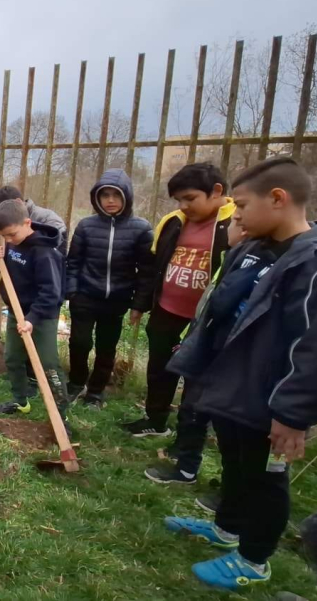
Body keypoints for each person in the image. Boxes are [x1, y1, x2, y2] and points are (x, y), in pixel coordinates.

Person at [162, 157, 317, 591]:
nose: (235, 215)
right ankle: (227, 528)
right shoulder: (254, 249)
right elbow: (220, 308)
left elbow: (316, 347)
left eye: (242, 204)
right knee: (236, 463)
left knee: (264, 477)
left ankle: (255, 559)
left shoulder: (314, 264)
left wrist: (293, 414)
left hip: (271, 397)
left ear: (278, 199)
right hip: (233, 383)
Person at [122, 163, 235, 438]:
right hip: (166, 311)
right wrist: (142, 303)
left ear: (216, 191)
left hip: (204, 320)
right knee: (160, 369)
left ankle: (191, 433)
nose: (183, 205)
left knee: (197, 378)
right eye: (179, 200)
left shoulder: (235, 224)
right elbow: (154, 265)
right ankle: (156, 419)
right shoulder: (172, 222)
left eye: (190, 198)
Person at [144, 219, 246, 486]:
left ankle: (228, 492)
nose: (234, 224)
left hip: (223, 348)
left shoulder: (253, 261)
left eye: (238, 220)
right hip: (202, 335)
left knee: (202, 407)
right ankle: (187, 465)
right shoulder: (233, 256)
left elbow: (224, 304)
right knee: (193, 407)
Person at [65, 169, 154, 407]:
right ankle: (75, 383)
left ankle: (95, 392)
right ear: (97, 198)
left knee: (106, 347)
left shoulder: (141, 229)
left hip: (116, 299)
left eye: (116, 195)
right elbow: (73, 262)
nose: (111, 200)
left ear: (127, 197)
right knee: (80, 343)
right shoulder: (86, 226)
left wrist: (138, 305)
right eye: (105, 195)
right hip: (84, 296)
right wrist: (72, 292)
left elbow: (146, 271)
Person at [0, 200, 68, 423]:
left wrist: (32, 319)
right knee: (13, 358)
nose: (9, 240)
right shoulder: (14, 242)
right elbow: (13, 272)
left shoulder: (44, 252)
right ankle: (20, 400)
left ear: (27, 222)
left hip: (41, 316)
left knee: (49, 365)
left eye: (12, 234)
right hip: (17, 312)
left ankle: (61, 415)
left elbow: (51, 292)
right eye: (5, 237)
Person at [0, 184, 68, 254]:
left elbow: (55, 255)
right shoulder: (11, 226)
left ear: (18, 202)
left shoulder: (50, 220)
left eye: (6, 209)